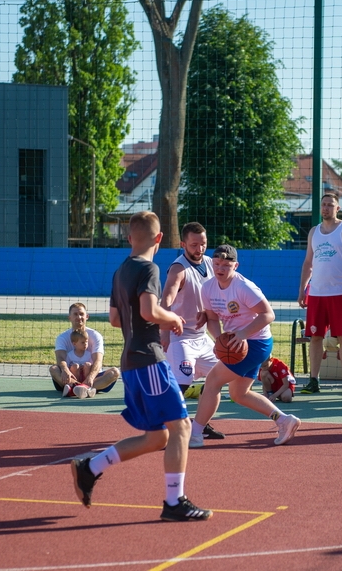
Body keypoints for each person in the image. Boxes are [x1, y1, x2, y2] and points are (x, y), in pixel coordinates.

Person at [70, 211, 212, 522]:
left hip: (132, 362)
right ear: (159, 239)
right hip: (149, 359)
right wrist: (172, 317)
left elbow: (115, 318)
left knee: (158, 437)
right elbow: (148, 310)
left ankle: (90, 468)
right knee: (182, 427)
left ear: (130, 237)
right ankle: (174, 502)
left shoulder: (121, 270)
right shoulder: (149, 268)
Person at [189, 244, 301, 448]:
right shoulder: (208, 288)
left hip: (256, 342)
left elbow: (269, 314)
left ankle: (195, 434)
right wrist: (219, 340)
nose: (220, 268)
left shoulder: (243, 287)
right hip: (238, 343)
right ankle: (285, 421)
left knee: (213, 380)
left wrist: (242, 334)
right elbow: (212, 319)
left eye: (226, 264)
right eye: (216, 264)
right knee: (238, 394)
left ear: (236, 266)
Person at [159, 221, 224, 440]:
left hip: (202, 336)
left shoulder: (210, 263)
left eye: (203, 243)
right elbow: (166, 299)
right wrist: (165, 332)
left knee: (219, 377)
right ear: (183, 244)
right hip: (181, 336)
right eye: (194, 244)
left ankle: (200, 425)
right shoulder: (179, 268)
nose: (200, 248)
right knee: (182, 383)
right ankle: (166, 429)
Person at [298, 192, 342, 395]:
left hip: (341, 292)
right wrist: (302, 289)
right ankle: (313, 380)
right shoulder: (314, 232)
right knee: (315, 337)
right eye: (323, 204)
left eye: (330, 205)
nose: (326, 208)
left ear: (338, 208)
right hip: (317, 293)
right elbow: (308, 263)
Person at [50, 302, 120, 395]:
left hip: (92, 377)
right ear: (69, 318)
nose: (79, 317)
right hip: (70, 376)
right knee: (53, 369)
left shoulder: (95, 336)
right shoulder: (62, 337)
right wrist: (65, 370)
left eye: (81, 314)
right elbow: (60, 359)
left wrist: (90, 377)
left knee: (115, 372)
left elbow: (98, 361)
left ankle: (77, 388)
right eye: (75, 314)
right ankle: (84, 389)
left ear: (87, 316)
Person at [61, 330, 98, 398]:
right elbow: (67, 367)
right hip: (75, 378)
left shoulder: (88, 354)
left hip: (85, 377)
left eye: (86, 342)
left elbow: (92, 367)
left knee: (88, 365)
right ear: (74, 344)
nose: (85, 344)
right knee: (75, 366)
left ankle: (86, 387)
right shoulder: (70, 355)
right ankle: (74, 387)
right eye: (83, 342)